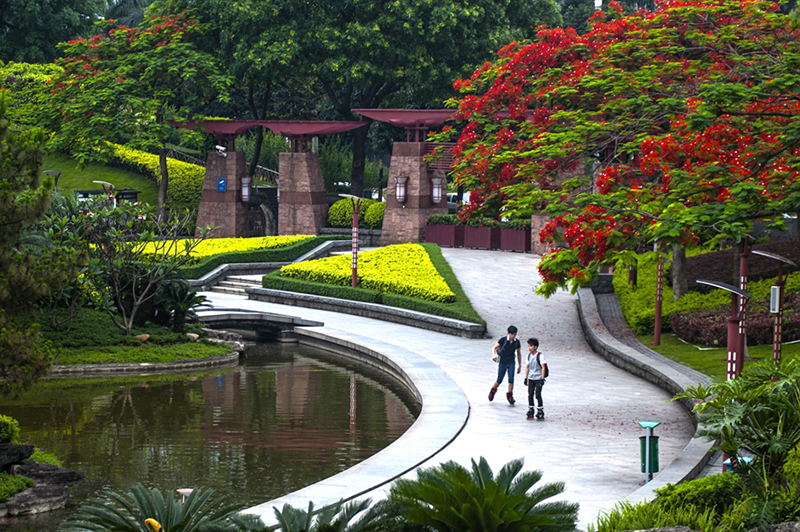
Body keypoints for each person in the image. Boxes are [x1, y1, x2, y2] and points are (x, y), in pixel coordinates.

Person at [489, 325, 522, 404]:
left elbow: (518, 353)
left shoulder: (516, 342)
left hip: (511, 362)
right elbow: (494, 347)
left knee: (511, 379)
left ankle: (510, 395)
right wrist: (494, 355)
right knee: (499, 379)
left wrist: (519, 365)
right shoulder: (503, 340)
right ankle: (493, 390)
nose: (513, 336)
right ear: (508, 333)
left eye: (515, 334)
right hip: (503, 362)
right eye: (512, 334)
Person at [523, 338, 548, 420]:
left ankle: (540, 410)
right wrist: (525, 378)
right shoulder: (528, 356)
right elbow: (527, 367)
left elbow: (543, 367)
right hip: (531, 378)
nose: (529, 348)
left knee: (537, 394)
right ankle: (531, 409)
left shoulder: (540, 356)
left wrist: (542, 378)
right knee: (530, 394)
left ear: (535, 347)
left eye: (531, 346)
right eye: (529, 346)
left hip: (538, 378)